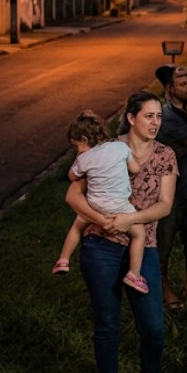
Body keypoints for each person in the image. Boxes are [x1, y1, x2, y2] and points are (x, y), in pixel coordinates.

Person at [65, 90, 180, 373]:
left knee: (154, 327)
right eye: (149, 115)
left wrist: (130, 221)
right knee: (107, 326)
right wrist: (100, 221)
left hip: (143, 247)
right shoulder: (105, 149)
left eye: (159, 116)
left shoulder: (165, 155)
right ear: (131, 118)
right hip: (100, 247)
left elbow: (165, 205)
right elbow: (72, 193)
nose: (155, 122)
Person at [52, 109, 148, 293]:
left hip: (94, 205)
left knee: (77, 226)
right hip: (120, 206)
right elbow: (135, 169)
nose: (77, 150)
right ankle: (134, 275)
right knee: (139, 234)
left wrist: (80, 159)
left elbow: (72, 176)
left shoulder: (84, 158)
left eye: (76, 146)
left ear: (84, 141)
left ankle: (63, 260)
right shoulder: (120, 147)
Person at [154, 64, 187, 310]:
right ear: (169, 89)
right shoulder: (167, 117)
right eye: (182, 83)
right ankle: (163, 289)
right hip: (171, 195)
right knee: (165, 244)